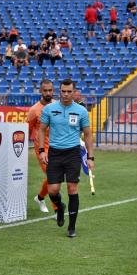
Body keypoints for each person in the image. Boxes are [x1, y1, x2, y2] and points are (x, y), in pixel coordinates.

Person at [39, 79, 94, 238]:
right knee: (53, 190)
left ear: (74, 92)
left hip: (73, 154)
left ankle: (71, 226)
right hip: (55, 153)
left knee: (72, 188)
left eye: (69, 91)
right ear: (59, 91)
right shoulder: (49, 109)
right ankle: (60, 207)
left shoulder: (81, 111)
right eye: (63, 91)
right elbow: (42, 130)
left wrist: (90, 157)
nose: (66, 94)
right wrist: (42, 150)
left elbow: (88, 135)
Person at [27, 80, 57, 213]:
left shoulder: (58, 106)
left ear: (53, 90)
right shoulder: (34, 110)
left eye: (50, 90)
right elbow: (26, 130)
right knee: (53, 178)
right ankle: (57, 211)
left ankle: (40, 198)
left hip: (57, 147)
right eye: (45, 90)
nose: (48, 93)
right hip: (42, 149)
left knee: (56, 178)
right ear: (41, 91)